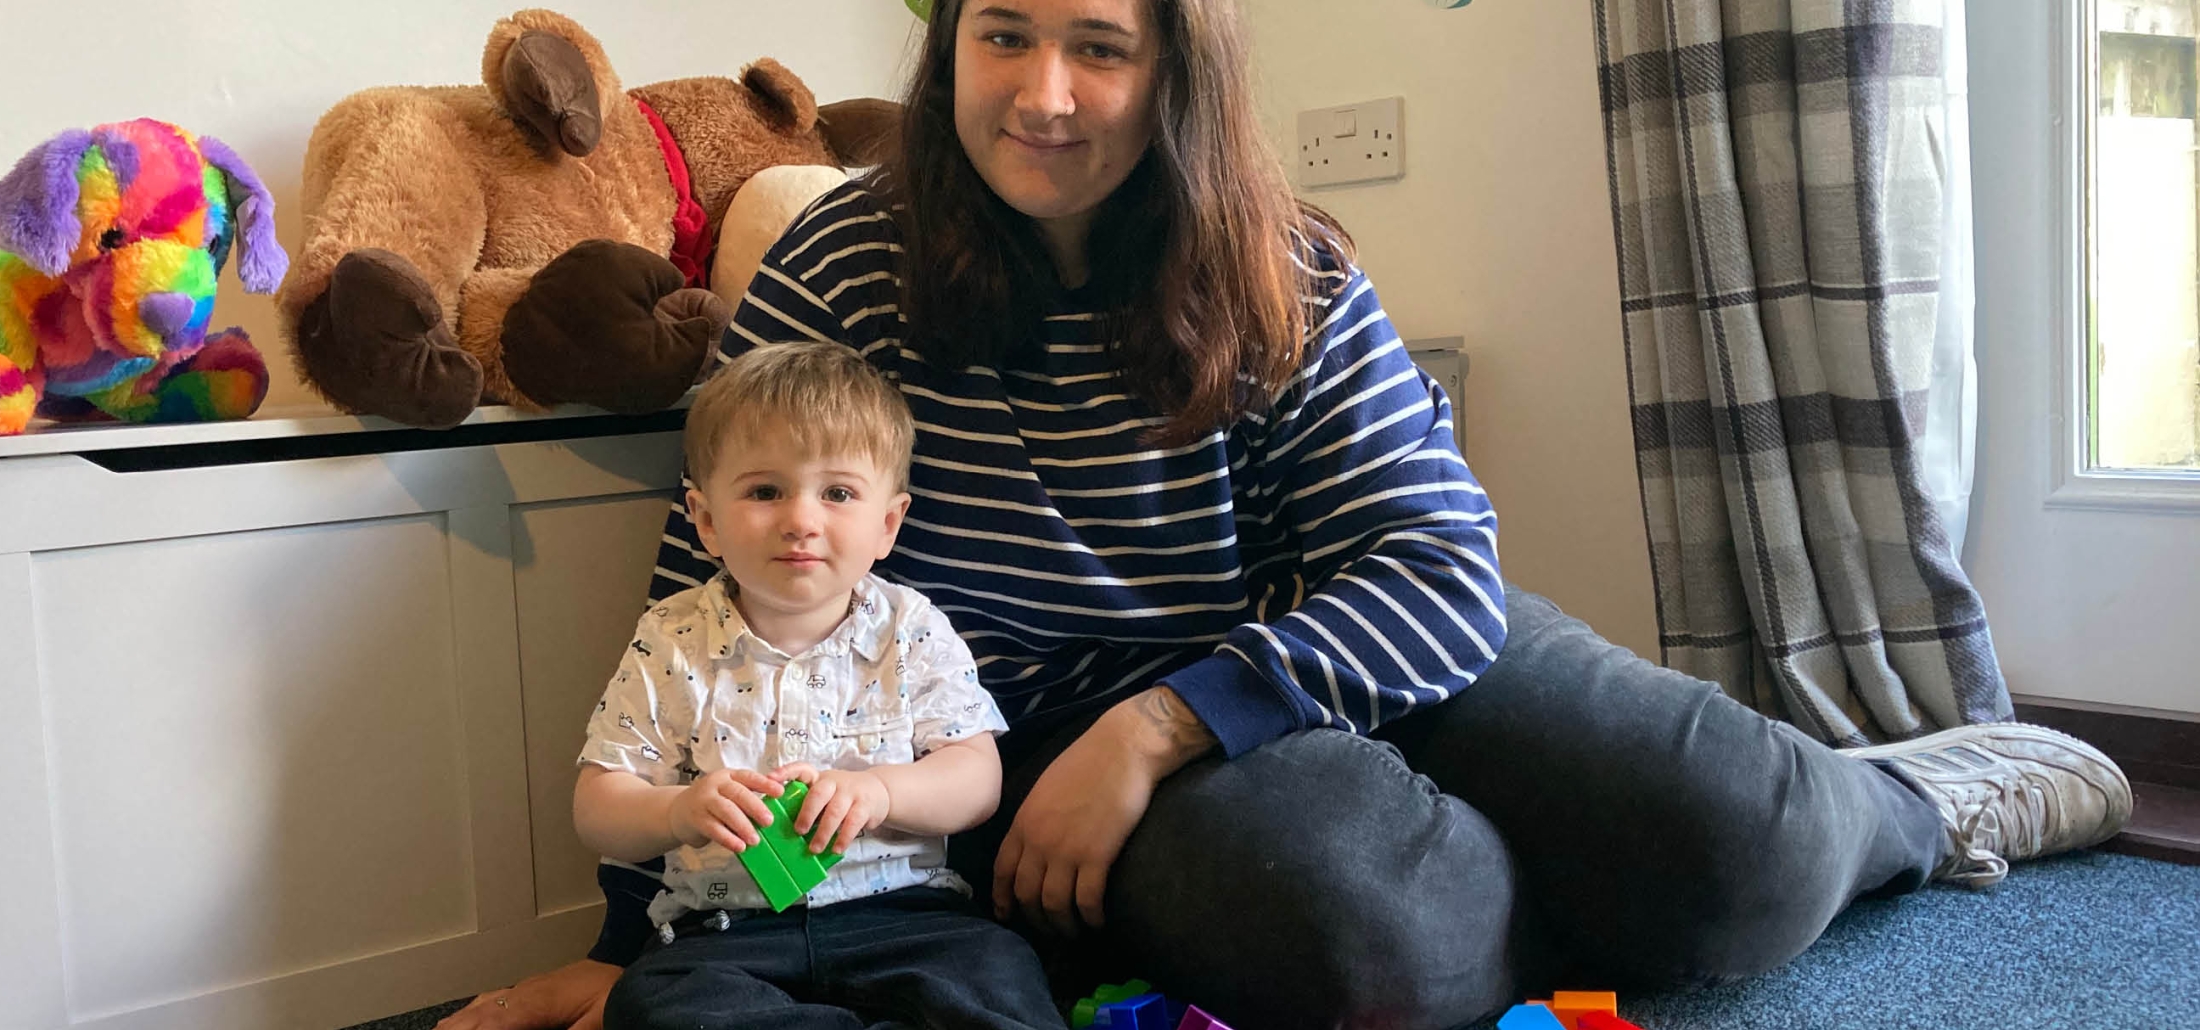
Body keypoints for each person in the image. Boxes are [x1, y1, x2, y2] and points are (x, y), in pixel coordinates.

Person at [439, 0, 2135, 1027]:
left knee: (1747, 849)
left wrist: (1165, 724)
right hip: (1026, 742)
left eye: (1098, 44)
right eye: (1002, 33)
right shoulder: (838, 264)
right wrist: (651, 947)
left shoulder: (1284, 261)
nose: (1041, 89)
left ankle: (1917, 798)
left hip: (1325, 643)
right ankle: (1589, 873)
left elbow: (1432, 566)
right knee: (1351, 947)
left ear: (1172, 62)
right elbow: (710, 598)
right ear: (946, 40)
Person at [571, 342, 1064, 1029]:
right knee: (652, 1005)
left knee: (1000, 975)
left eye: (837, 493)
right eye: (765, 491)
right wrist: (679, 810)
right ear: (706, 519)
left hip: (908, 917)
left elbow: (976, 777)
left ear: (887, 523)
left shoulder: (910, 628)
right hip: (723, 935)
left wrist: (884, 790)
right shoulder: (673, 638)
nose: (802, 519)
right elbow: (597, 805)